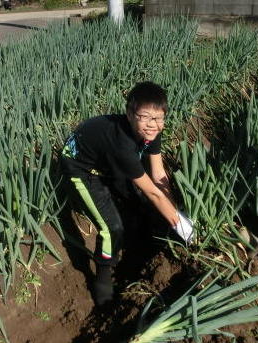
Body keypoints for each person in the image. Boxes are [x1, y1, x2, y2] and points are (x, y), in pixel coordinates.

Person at [59, 81, 181, 306]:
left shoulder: (152, 131)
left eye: (158, 118)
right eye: (145, 117)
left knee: (137, 201)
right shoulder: (122, 145)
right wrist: (183, 228)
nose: (152, 124)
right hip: (80, 167)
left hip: (105, 160)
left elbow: (159, 175)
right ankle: (103, 284)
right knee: (111, 227)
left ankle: (138, 244)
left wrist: (175, 215)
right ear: (129, 113)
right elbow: (155, 194)